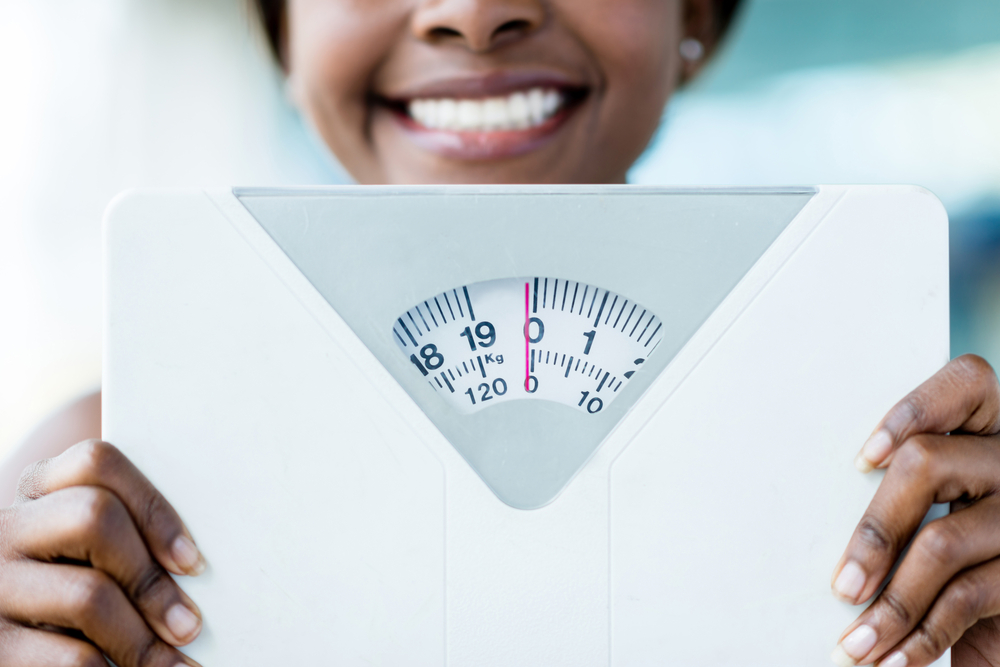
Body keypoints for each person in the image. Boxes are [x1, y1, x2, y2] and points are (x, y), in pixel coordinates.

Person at [0, 1, 997, 666]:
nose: (473, 14)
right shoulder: (93, 493)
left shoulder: (926, 468)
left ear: (693, 11)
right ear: (279, 23)